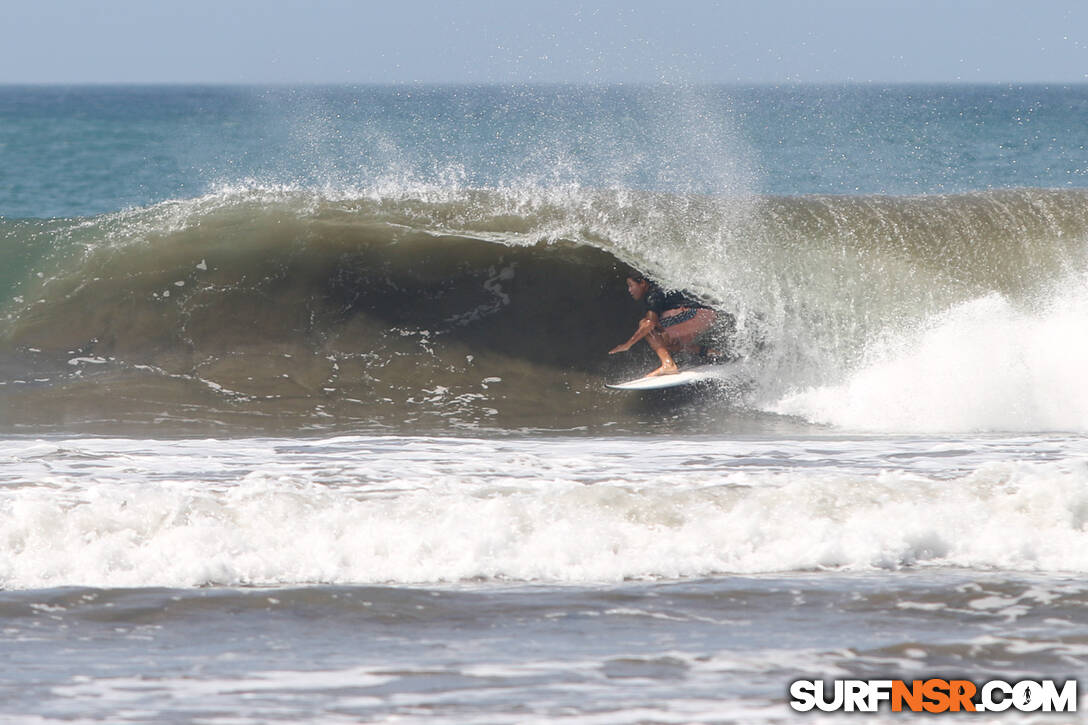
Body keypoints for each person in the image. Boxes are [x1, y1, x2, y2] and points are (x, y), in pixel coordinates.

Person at [608, 273, 718, 377]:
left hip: (695, 315)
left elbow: (649, 323)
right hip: (705, 316)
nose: (630, 290)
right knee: (665, 344)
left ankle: (668, 364)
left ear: (642, 283)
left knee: (647, 326)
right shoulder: (659, 289)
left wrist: (628, 344)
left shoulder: (653, 293)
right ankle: (710, 352)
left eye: (631, 285)